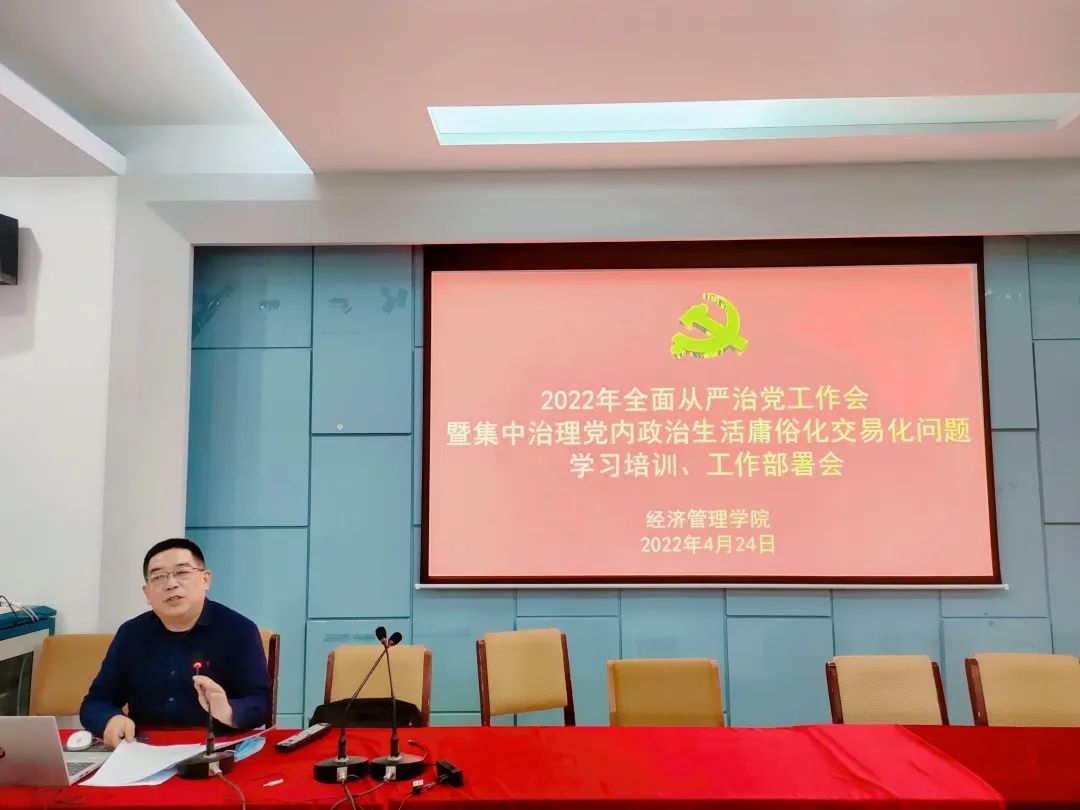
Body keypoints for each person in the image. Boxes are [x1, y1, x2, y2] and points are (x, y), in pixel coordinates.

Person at [80, 538, 270, 748]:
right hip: (144, 750)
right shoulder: (130, 634)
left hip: (219, 749)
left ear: (205, 579)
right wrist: (110, 720)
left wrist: (227, 710)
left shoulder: (239, 630)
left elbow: (261, 703)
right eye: (158, 577)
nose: (171, 584)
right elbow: (96, 702)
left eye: (182, 572)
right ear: (147, 592)